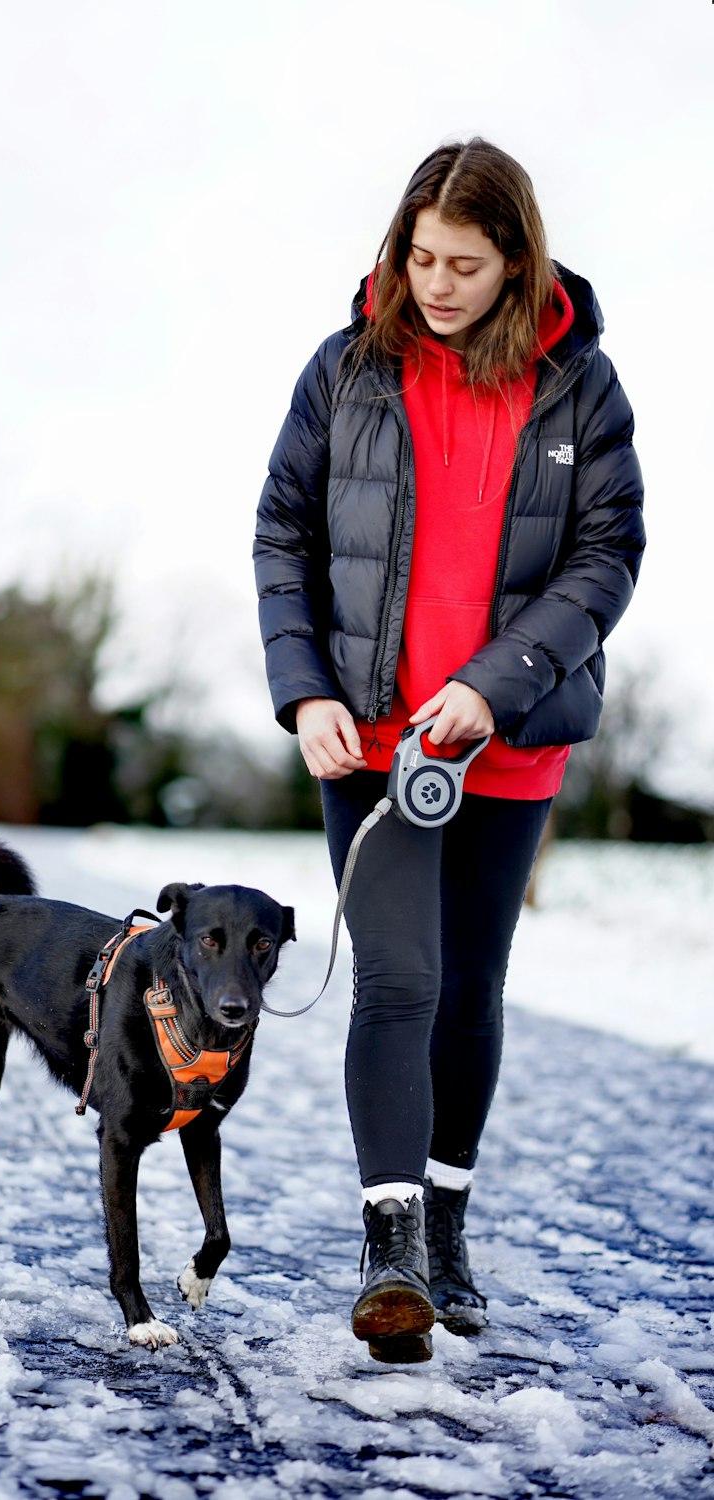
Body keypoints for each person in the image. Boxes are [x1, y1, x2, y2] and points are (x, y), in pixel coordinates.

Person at [253, 139, 644, 1363]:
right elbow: (282, 536)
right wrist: (304, 689)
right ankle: (391, 1251)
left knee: (470, 990)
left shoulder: (581, 387)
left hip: (507, 741)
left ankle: (449, 1223)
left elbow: (607, 555)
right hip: (368, 743)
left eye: (464, 264)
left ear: (516, 260)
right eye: (419, 256)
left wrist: (495, 683)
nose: (435, 282)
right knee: (398, 981)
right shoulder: (344, 371)